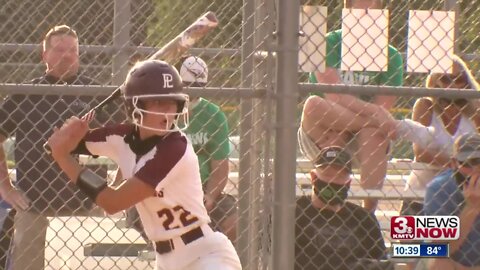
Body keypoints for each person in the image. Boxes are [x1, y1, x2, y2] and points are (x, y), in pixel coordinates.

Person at [46, 59, 242, 270]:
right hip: (166, 261)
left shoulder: (175, 148)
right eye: (158, 102)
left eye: (172, 102)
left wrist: (63, 158)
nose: (167, 112)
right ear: (136, 105)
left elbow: (113, 202)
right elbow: (61, 145)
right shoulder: (121, 137)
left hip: (206, 256)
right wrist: (67, 133)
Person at [0, 25, 119, 270]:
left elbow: (128, 142)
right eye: (59, 49)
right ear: (44, 55)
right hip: (34, 206)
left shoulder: (96, 94)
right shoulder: (26, 94)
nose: (66, 55)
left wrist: (116, 185)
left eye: (72, 50)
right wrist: (6, 188)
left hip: (88, 206)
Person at [304, 0, 404, 212]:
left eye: (370, 11)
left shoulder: (391, 55)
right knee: (314, 105)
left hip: (363, 137)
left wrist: (378, 115)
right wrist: (375, 112)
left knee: (373, 133)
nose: (364, 17)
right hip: (323, 126)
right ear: (346, 12)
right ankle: (328, 210)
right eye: (358, 11)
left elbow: (383, 110)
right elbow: (334, 96)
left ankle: (367, 215)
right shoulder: (325, 42)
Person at [402, 54, 480, 217]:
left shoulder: (475, 112)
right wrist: (461, 165)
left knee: (456, 242)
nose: (453, 85)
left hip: (462, 197)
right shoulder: (425, 105)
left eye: (459, 79)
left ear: (466, 83)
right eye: (445, 79)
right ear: (435, 81)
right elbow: (421, 153)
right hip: (420, 196)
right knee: (417, 243)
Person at [295, 146, 392, 270]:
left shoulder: (363, 218)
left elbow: (382, 263)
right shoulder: (295, 212)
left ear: (348, 183)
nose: (333, 181)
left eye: (340, 176)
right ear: (314, 177)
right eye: (328, 174)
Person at [179, 56, 237, 242]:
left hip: (202, 187)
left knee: (235, 222)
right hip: (167, 187)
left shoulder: (213, 115)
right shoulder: (161, 109)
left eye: (197, 86)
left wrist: (210, 196)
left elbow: (220, 166)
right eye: (186, 84)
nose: (191, 91)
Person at [424, 133, 480, 269]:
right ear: (454, 163)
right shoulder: (438, 189)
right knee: (440, 264)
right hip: (453, 263)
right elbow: (440, 249)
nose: (476, 169)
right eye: (467, 163)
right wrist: (472, 208)